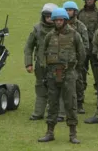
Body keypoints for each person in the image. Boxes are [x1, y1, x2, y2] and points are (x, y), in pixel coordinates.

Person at [37, 8, 85, 144]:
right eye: (56, 20)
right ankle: (49, 132)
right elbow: (42, 52)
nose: (58, 22)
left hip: (68, 73)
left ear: (65, 20)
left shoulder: (75, 35)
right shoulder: (49, 36)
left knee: (71, 102)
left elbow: (82, 54)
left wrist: (76, 70)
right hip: (52, 74)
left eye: (60, 20)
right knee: (52, 103)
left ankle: (73, 134)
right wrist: (45, 69)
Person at [24, 3, 58, 121]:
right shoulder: (37, 29)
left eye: (51, 16)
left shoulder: (61, 28)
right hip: (40, 65)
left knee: (58, 88)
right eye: (46, 16)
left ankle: (59, 114)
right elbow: (29, 47)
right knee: (40, 88)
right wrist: (28, 63)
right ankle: (38, 113)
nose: (49, 18)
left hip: (57, 64)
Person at [63, 1, 90, 114]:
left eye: (71, 10)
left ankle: (79, 104)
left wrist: (80, 58)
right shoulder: (60, 24)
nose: (69, 12)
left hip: (77, 59)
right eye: (67, 10)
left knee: (79, 82)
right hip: (63, 59)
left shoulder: (81, 26)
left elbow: (85, 44)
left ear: (75, 12)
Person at [77, 0, 98, 95]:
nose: (89, 1)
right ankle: (81, 93)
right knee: (82, 69)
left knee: (97, 70)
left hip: (95, 46)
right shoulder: (80, 13)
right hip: (82, 46)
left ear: (95, 0)